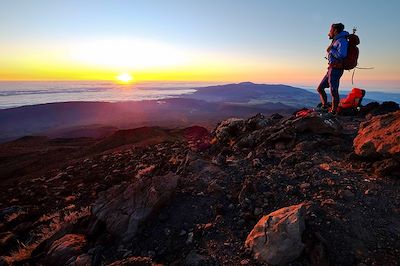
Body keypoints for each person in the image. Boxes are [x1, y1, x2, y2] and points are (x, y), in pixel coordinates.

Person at [317, 23, 349, 115]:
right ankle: (325, 106)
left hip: (336, 69)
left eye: (330, 31)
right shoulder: (336, 40)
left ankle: (333, 112)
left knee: (333, 90)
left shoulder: (342, 41)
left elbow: (342, 55)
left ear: (335, 31)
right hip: (331, 68)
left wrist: (330, 50)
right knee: (320, 88)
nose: (328, 33)